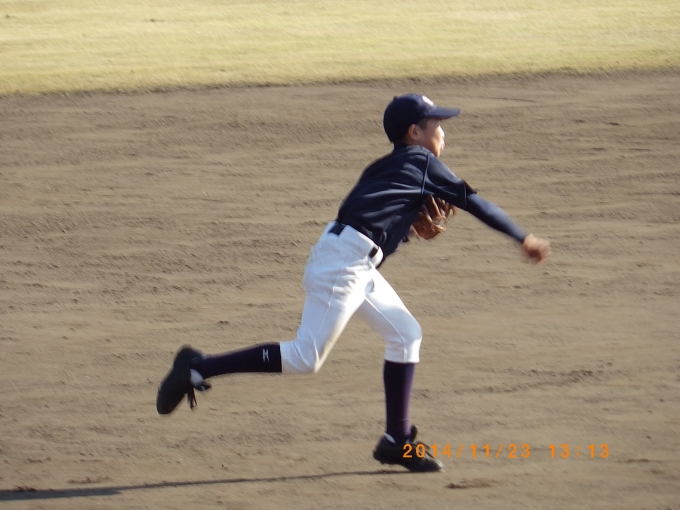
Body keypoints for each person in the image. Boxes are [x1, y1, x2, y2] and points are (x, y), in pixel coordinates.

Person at [156, 94, 551, 473]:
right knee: (305, 357)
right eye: (437, 124)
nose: (443, 132)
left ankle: (396, 440)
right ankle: (197, 367)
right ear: (414, 132)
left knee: (406, 335)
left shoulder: (383, 168)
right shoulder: (422, 162)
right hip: (344, 266)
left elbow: (371, 218)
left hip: (352, 260)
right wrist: (523, 237)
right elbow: (475, 202)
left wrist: (406, 229)